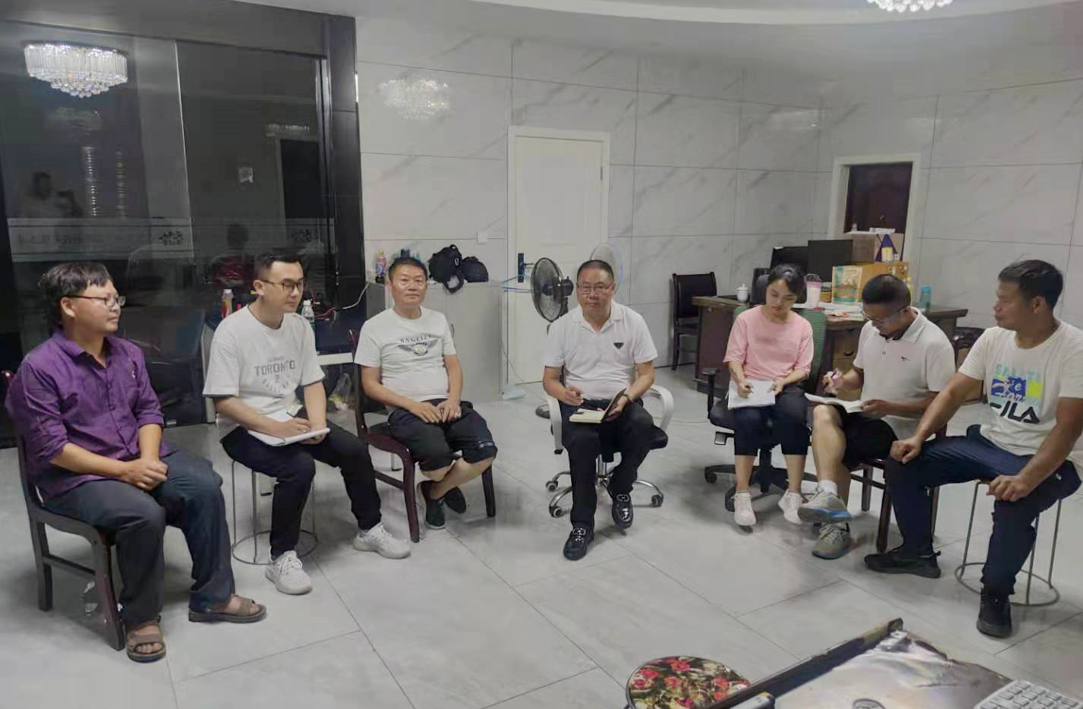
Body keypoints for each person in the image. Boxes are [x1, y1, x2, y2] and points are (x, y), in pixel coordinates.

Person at [4, 263, 265, 664]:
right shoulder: (39, 369)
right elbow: (53, 449)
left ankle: (213, 596)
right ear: (68, 306)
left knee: (203, 485)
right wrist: (124, 471)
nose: (116, 306)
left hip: (134, 454)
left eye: (117, 298)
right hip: (77, 477)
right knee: (142, 513)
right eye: (104, 299)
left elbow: (148, 412)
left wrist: (146, 459)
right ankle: (141, 618)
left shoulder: (127, 353)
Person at [865, 261, 1082, 638]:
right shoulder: (994, 338)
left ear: (1037, 304)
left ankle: (996, 593)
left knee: (1014, 503)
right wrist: (918, 437)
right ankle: (917, 552)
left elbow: (1069, 427)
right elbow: (952, 393)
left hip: (1052, 460)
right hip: (991, 442)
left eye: (1004, 300)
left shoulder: (1073, 348)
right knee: (904, 463)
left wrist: (1026, 479)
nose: (995, 307)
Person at [204, 251, 410, 597]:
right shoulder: (232, 331)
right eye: (286, 284)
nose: (296, 292)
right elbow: (223, 401)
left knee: (353, 449)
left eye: (299, 284)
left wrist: (316, 423)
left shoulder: (298, 325)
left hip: (290, 414)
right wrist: (274, 428)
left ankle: (370, 528)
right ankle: (281, 557)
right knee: (298, 468)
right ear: (259, 287)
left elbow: (313, 381)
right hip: (241, 426)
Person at [798, 275, 956, 559]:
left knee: (840, 442)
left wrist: (891, 407)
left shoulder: (934, 344)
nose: (873, 324)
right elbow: (858, 373)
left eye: (880, 320)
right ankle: (828, 495)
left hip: (902, 427)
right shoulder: (871, 329)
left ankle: (836, 526)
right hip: (867, 411)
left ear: (904, 311)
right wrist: (840, 382)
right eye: (868, 317)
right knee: (822, 412)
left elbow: (941, 404)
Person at [355, 256, 498, 530]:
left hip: (446, 404)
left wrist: (453, 399)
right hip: (406, 411)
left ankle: (435, 492)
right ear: (390, 285)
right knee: (438, 462)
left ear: (426, 285)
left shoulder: (437, 320)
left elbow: (453, 367)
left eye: (419, 281)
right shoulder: (374, 327)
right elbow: (370, 385)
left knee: (486, 450)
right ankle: (443, 483)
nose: (412, 286)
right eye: (404, 280)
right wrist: (412, 405)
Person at [542, 259, 658, 560]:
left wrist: (627, 397)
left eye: (600, 287)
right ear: (576, 290)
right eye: (585, 288)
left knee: (644, 425)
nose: (592, 294)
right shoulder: (563, 327)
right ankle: (582, 525)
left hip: (621, 399)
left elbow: (647, 374)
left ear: (613, 289)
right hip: (580, 404)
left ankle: (621, 485)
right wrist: (565, 394)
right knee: (582, 442)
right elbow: (549, 380)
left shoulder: (633, 321)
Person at [724, 263, 813, 527]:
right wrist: (740, 380)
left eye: (788, 298)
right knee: (748, 419)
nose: (778, 303)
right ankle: (742, 494)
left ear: (797, 298)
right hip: (750, 382)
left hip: (784, 383)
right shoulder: (746, 319)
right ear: (765, 289)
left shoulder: (802, 326)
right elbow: (734, 359)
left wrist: (783, 381)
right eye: (774, 294)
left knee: (795, 416)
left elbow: (803, 368)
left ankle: (793, 493)